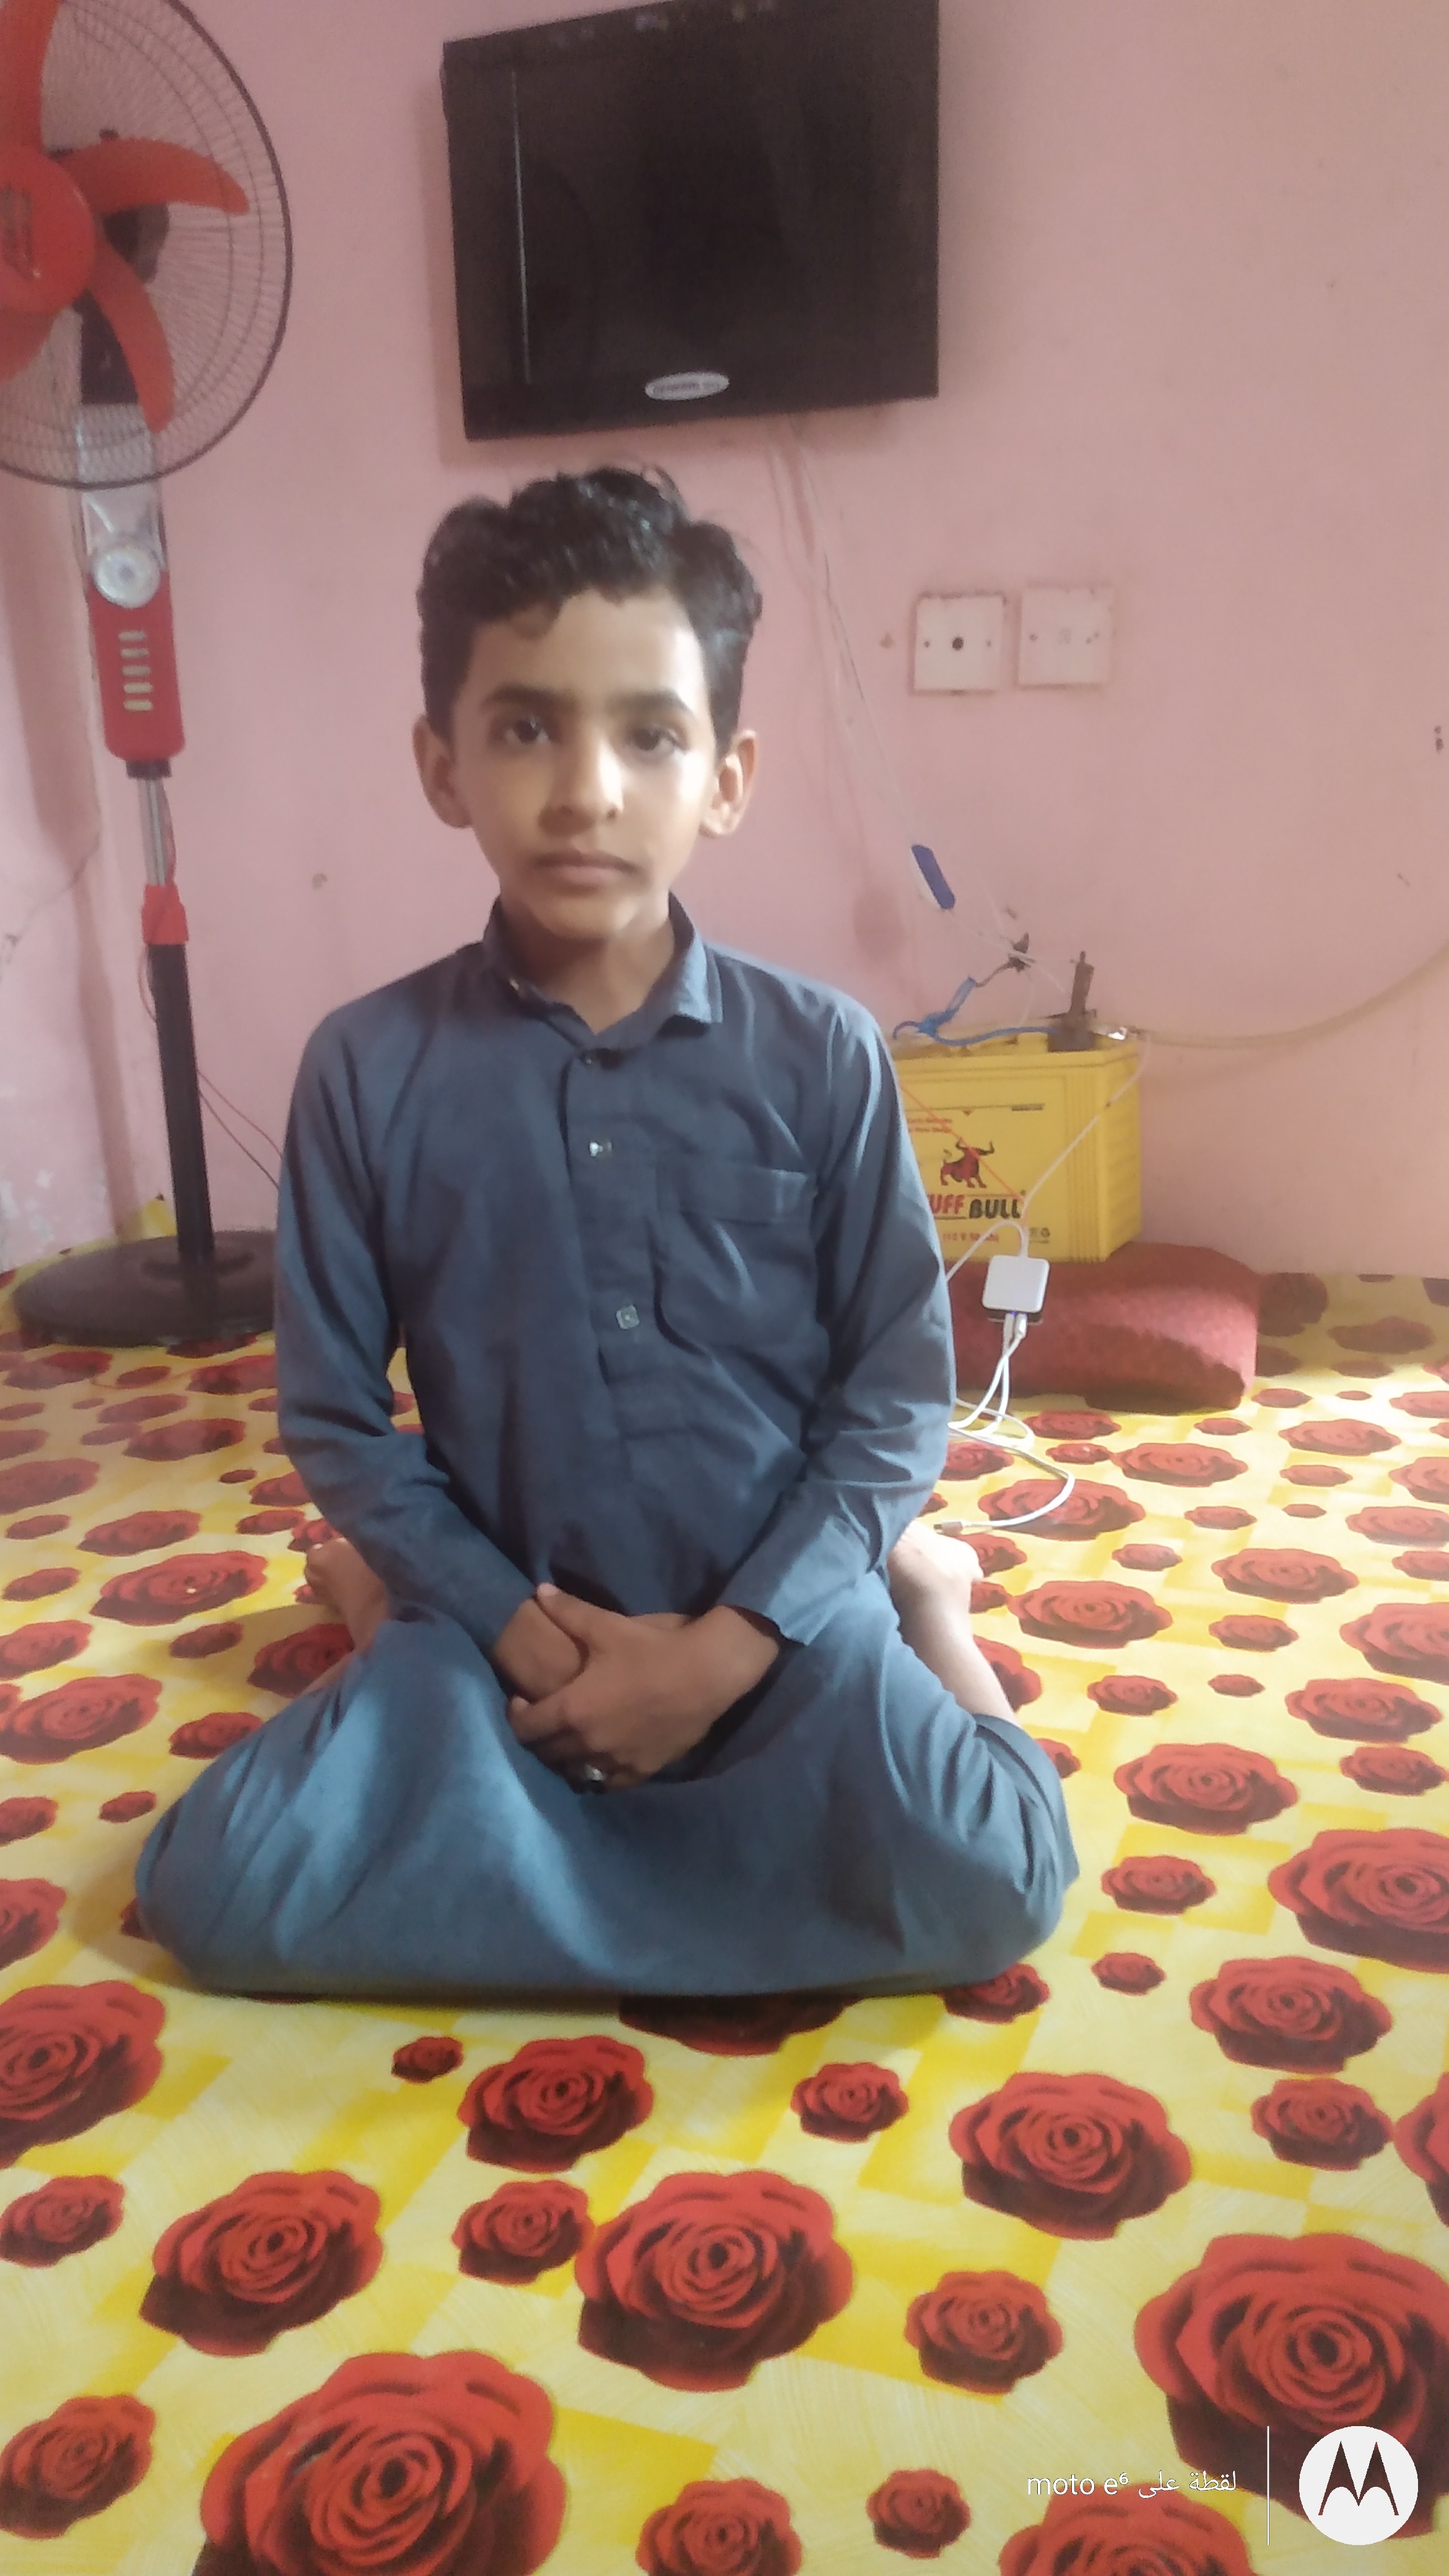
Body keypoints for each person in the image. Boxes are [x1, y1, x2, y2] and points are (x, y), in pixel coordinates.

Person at [137, 468, 1075, 1999]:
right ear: (442, 764)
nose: (586, 791)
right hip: (507, 1640)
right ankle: (383, 1603)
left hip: (774, 1624)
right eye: (527, 728)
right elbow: (338, 1420)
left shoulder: (823, 1053)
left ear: (727, 776)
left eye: (649, 734)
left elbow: (895, 1398)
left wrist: (726, 1649)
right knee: (218, 1886)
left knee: (1000, 1878)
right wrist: (513, 1632)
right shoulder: (368, 1069)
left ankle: (931, 1599)